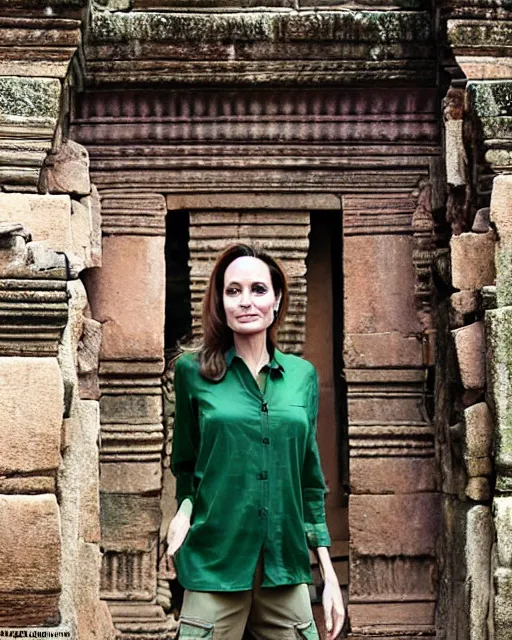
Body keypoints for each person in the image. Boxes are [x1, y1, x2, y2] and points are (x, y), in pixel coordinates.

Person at [166, 243, 346, 640]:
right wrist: (183, 510)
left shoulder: (302, 376)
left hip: (285, 565)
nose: (246, 301)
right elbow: (187, 464)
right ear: (220, 302)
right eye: (233, 291)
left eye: (258, 289)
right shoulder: (191, 373)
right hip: (215, 560)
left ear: (277, 300)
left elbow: (308, 478)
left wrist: (328, 576)